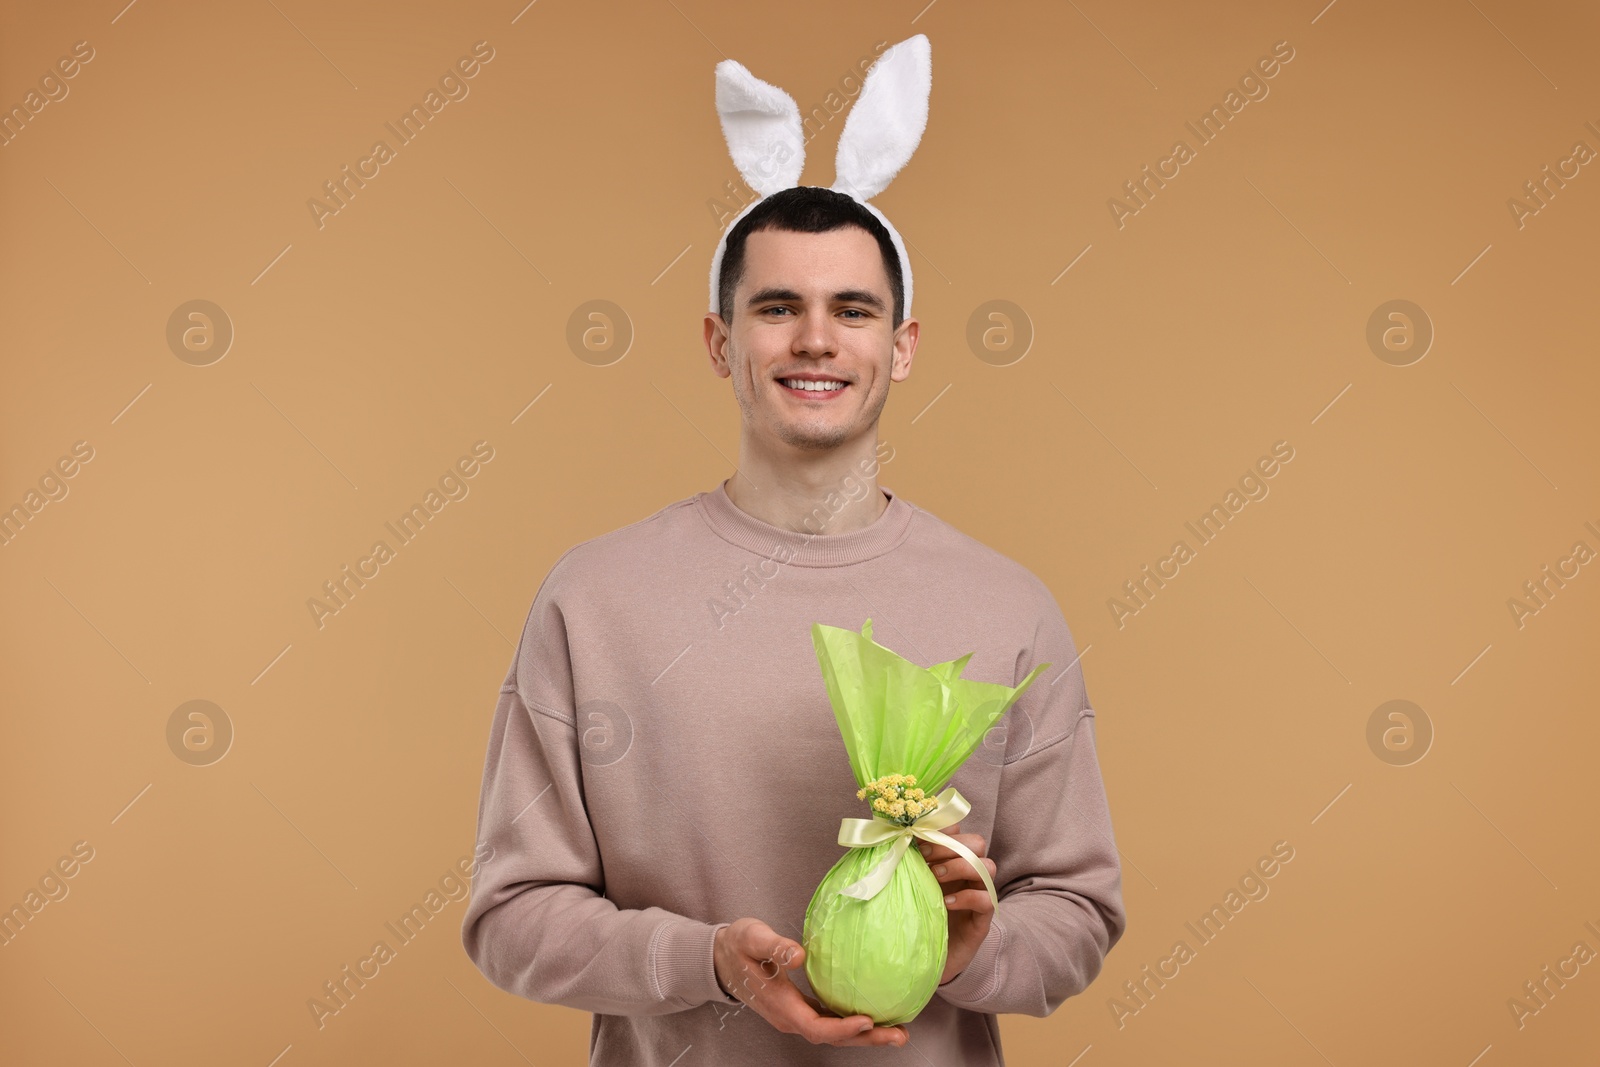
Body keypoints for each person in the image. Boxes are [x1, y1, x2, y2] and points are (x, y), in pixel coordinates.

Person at [462, 34, 1124, 1065]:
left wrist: (969, 948)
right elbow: (509, 916)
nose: (815, 339)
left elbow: (1079, 909)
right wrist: (708, 958)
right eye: (777, 307)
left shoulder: (1007, 610)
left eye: (851, 309)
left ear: (899, 345)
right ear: (721, 342)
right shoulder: (592, 600)